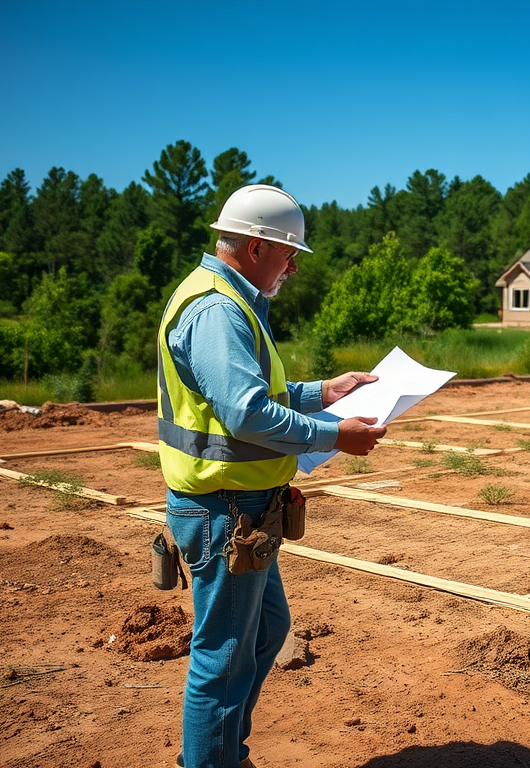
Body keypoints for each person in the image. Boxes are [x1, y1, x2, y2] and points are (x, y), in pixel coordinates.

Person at [157, 184, 386, 768]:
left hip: (244, 508)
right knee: (225, 654)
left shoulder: (232, 302)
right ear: (256, 246)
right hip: (224, 512)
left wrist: (324, 393)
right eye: (288, 254)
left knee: (264, 631)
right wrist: (336, 434)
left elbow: (258, 396)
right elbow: (245, 413)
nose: (291, 267)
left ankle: (225, 753)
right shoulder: (217, 311)